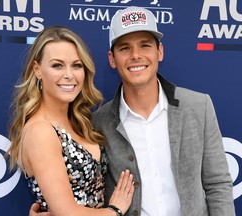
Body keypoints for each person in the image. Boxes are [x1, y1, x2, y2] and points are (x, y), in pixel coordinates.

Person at [29, 6, 236, 216]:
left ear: (160, 51)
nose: (136, 55)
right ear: (112, 59)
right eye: (125, 48)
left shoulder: (198, 107)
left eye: (145, 45)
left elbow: (218, 184)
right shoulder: (97, 123)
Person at [7, 26, 135, 216]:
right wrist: (115, 210)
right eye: (57, 65)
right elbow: (68, 213)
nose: (69, 74)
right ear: (37, 70)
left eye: (76, 65)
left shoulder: (80, 122)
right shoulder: (40, 131)